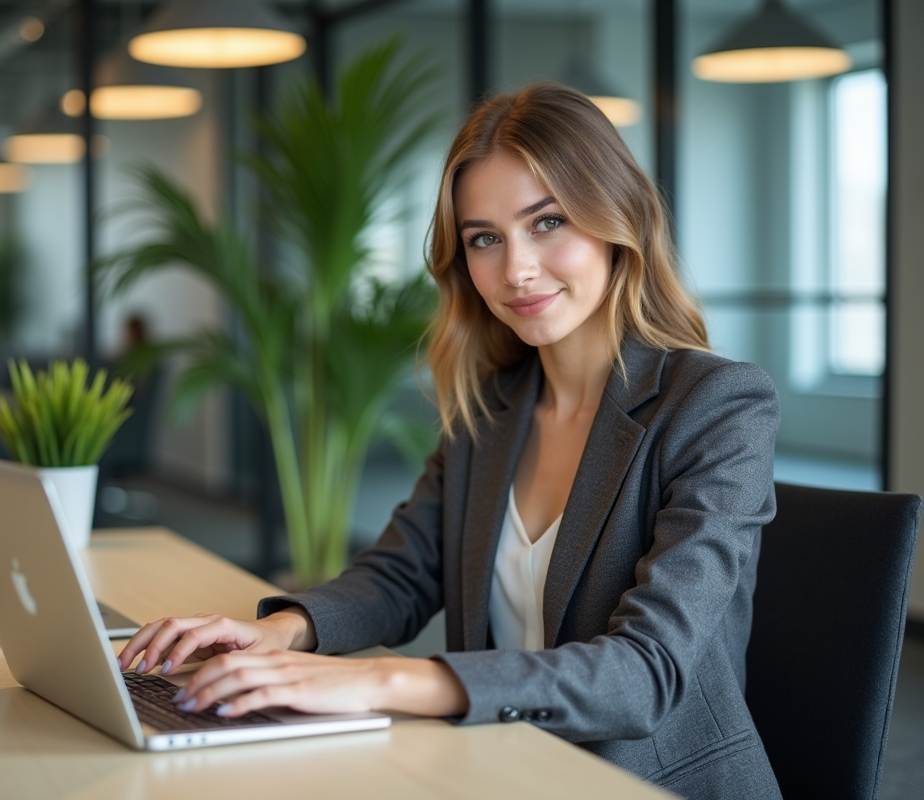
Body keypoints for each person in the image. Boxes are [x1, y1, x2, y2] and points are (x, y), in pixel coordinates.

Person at [117, 83, 782, 799]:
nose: (516, 270)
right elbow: (404, 574)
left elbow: (645, 673)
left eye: (548, 221)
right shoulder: (492, 407)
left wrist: (382, 680)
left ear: (617, 219)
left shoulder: (717, 404)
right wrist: (284, 632)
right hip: (499, 768)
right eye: (484, 239)